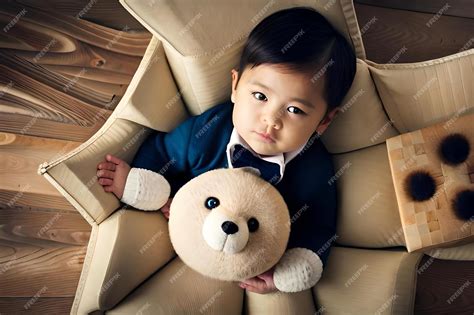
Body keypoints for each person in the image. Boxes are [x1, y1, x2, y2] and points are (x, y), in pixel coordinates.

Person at [96, 7, 356, 295]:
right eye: (260, 96)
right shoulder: (209, 131)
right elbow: (162, 153)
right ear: (235, 86)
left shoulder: (313, 167)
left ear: (324, 121)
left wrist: (286, 275)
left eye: (294, 110)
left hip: (253, 260)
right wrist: (143, 188)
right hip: (185, 233)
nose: (271, 119)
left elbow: (319, 225)